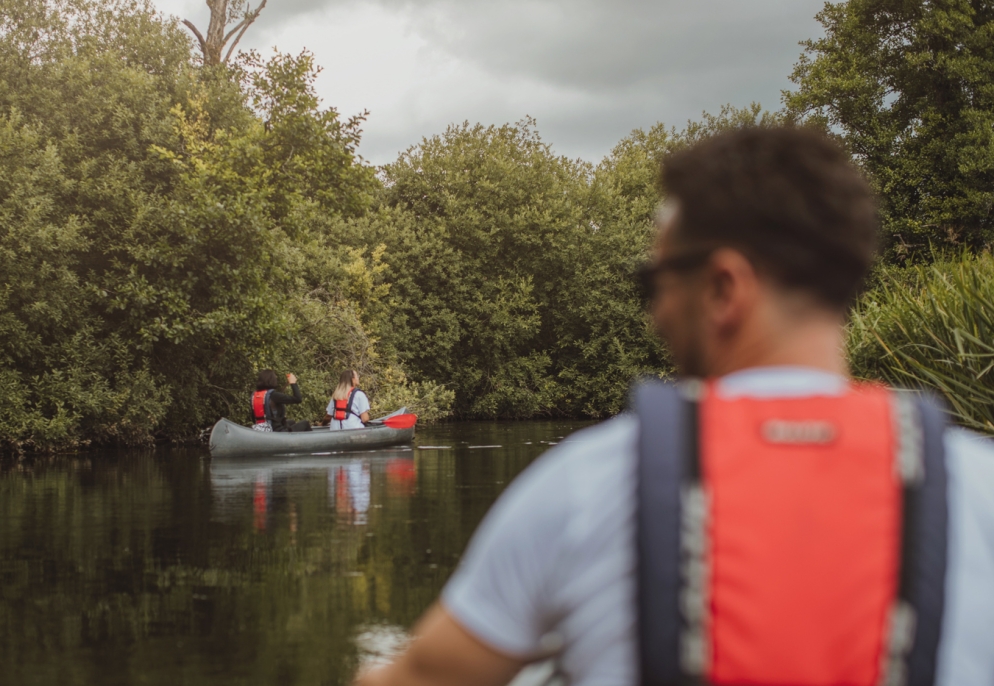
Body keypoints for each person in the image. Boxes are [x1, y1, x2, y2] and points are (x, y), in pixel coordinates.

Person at [354, 128, 994, 686]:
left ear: (723, 288)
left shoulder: (589, 483)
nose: (655, 310)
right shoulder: (980, 485)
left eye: (655, 283)